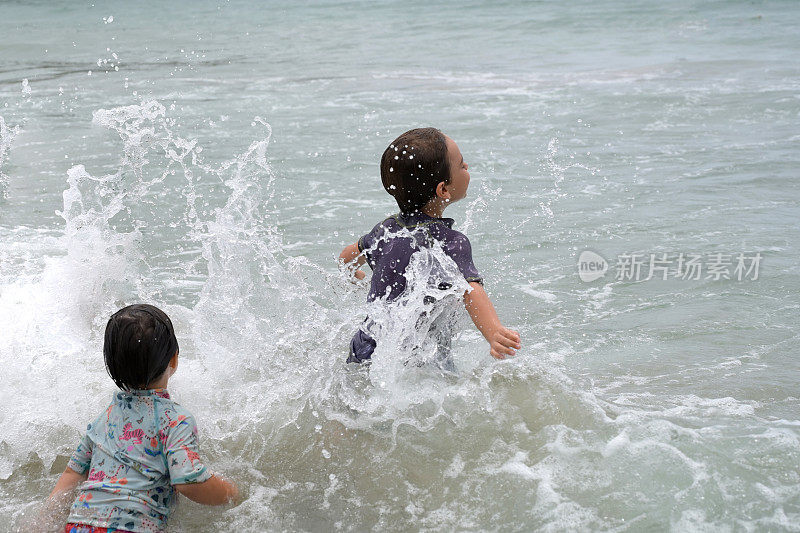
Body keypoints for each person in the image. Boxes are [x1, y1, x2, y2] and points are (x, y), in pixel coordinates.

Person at [45, 304, 238, 533]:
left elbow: (72, 473)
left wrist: (40, 524)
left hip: (79, 525)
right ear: (174, 360)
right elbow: (188, 482)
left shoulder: (104, 418)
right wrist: (232, 493)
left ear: (112, 366)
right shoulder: (175, 420)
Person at [338, 127, 521, 367]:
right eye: (462, 165)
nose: (467, 168)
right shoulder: (451, 242)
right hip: (413, 353)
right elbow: (470, 290)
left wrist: (355, 276)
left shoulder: (384, 230)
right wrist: (494, 332)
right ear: (443, 189)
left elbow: (346, 257)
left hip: (365, 343)